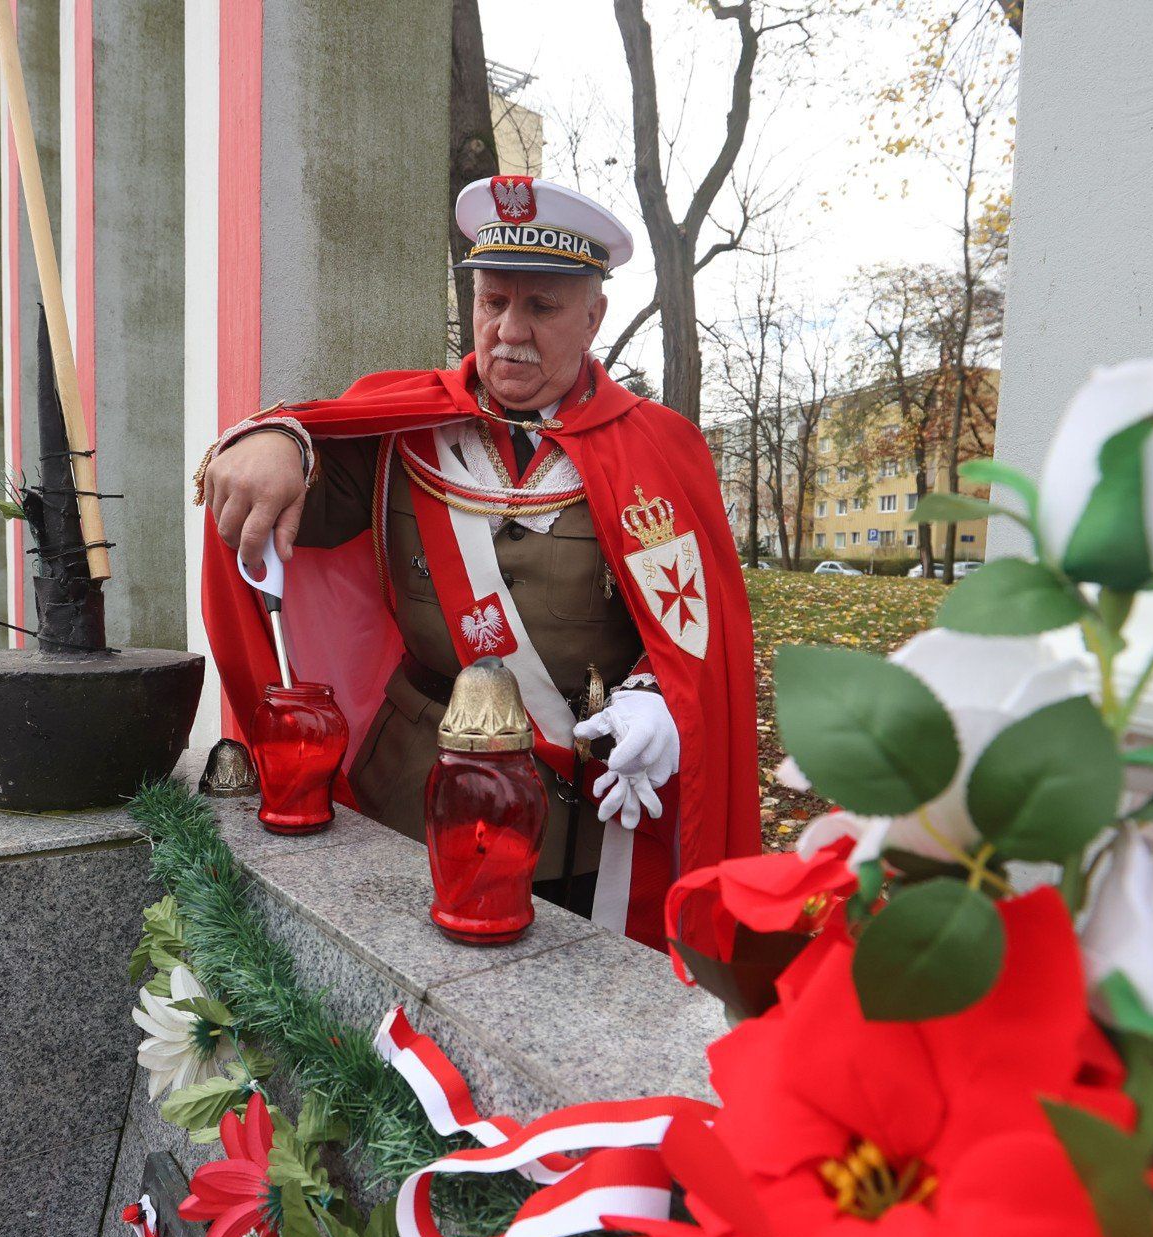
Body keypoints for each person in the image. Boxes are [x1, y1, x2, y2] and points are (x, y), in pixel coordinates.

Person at [200, 176, 757, 946]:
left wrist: (659, 695)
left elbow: (696, 629)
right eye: (493, 302)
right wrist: (273, 438)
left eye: (542, 307)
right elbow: (295, 492)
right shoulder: (399, 423)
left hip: (580, 803)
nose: (509, 332)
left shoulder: (658, 449)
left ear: (594, 316)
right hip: (410, 777)